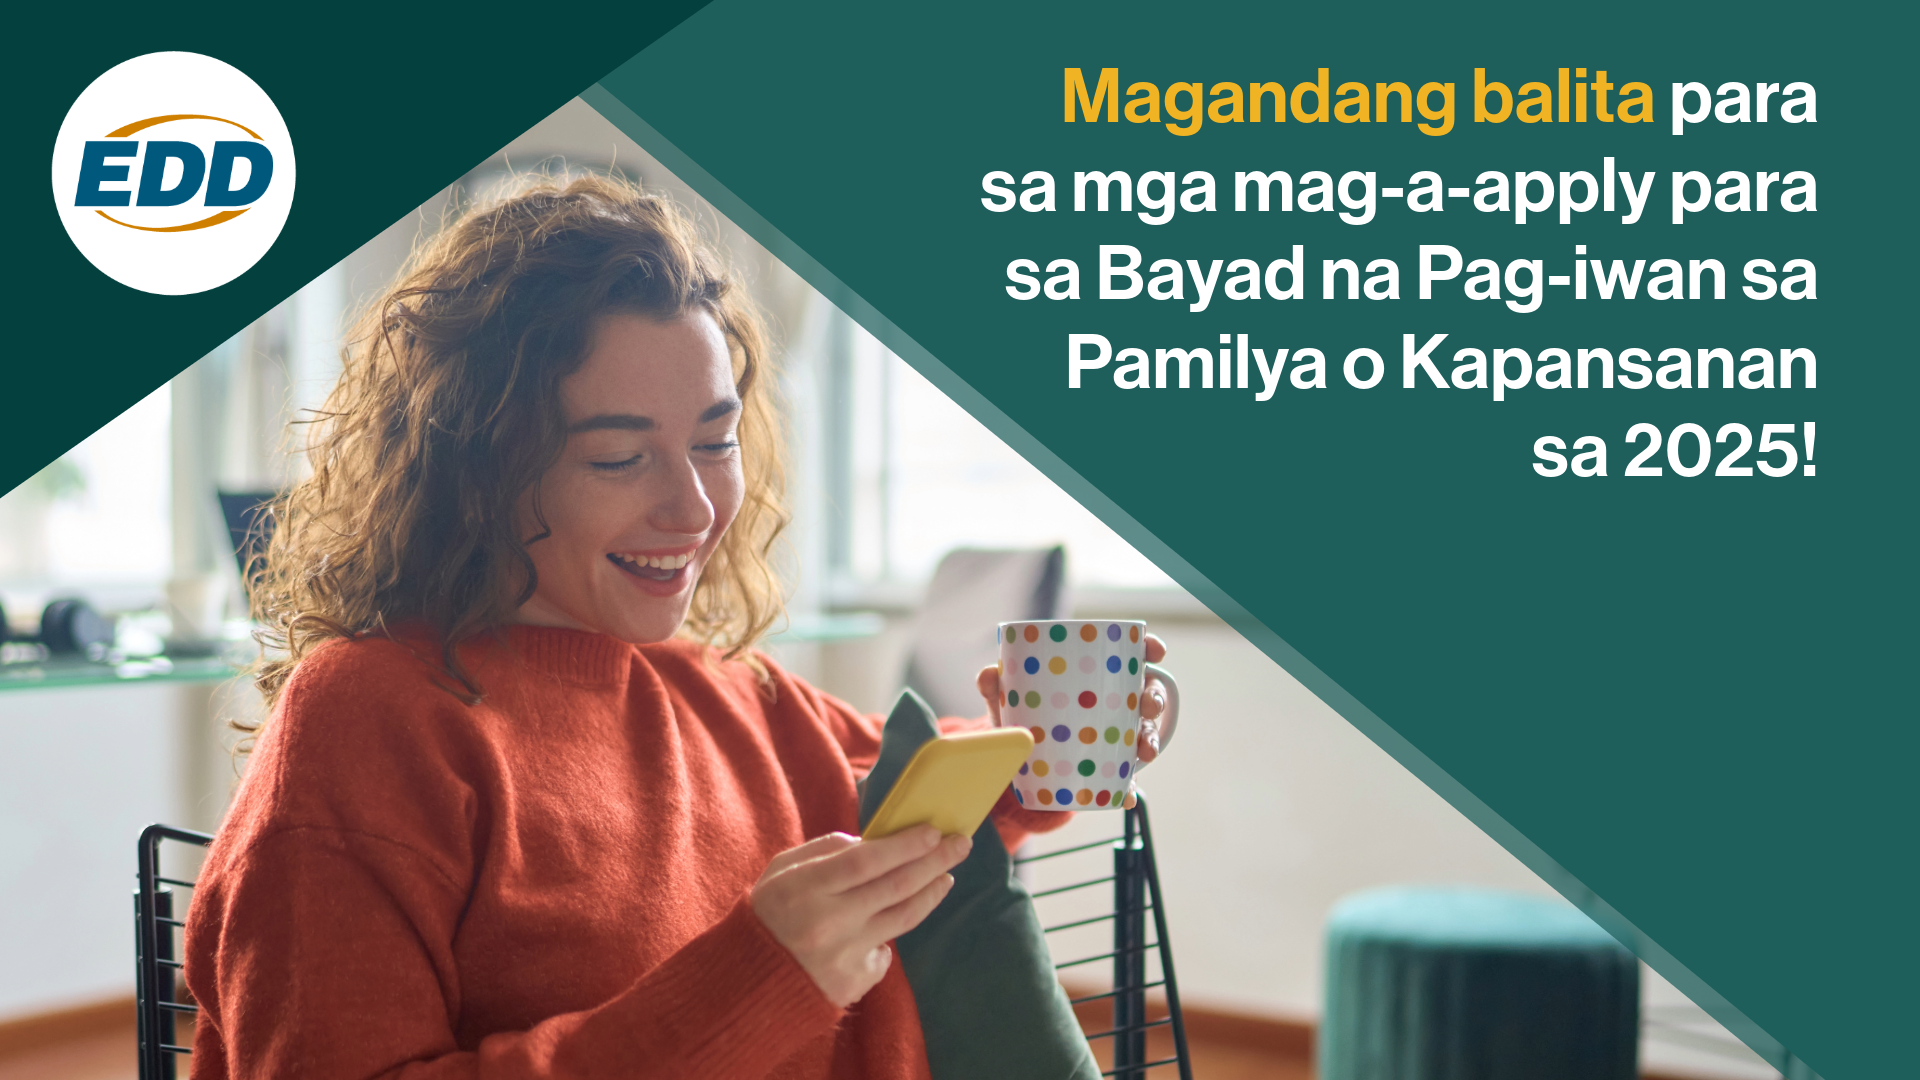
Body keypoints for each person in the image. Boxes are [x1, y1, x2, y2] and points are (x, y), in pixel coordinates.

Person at [183, 173, 1171, 1080]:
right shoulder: (370, 719)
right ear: (476, 468)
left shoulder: (732, 691)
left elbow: (909, 803)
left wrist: (1053, 750)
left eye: (714, 442)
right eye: (618, 458)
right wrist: (760, 974)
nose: (696, 509)